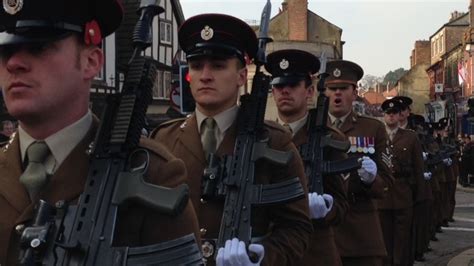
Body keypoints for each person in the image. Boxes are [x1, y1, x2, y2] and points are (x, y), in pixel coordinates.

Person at [0, 0, 199, 265]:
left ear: (91, 62)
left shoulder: (151, 174)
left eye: (38, 46)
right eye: (4, 51)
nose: (13, 63)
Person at [151, 14, 312, 266]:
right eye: (196, 65)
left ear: (240, 76)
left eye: (218, 65)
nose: (205, 75)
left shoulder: (274, 142)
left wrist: (261, 257)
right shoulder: (163, 139)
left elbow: (296, 227)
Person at [267, 49, 348, 266]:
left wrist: (326, 209)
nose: (284, 91)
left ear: (310, 91)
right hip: (271, 251)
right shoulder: (260, 138)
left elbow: (342, 204)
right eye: (278, 86)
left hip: (315, 251)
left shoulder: (329, 139)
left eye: (292, 85)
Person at [324, 60, 392, 266]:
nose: (337, 94)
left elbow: (388, 182)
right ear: (323, 92)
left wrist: (372, 180)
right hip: (321, 234)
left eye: (343, 89)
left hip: (360, 233)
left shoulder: (373, 128)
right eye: (332, 89)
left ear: (354, 93)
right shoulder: (311, 127)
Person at [378, 98, 426, 265]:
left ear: (399, 116)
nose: (391, 116)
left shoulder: (410, 137)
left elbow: (418, 168)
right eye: (388, 113)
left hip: (403, 194)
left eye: (394, 113)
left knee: (402, 239)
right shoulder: (377, 135)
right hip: (381, 195)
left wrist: (421, 196)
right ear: (383, 115)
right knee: (383, 238)